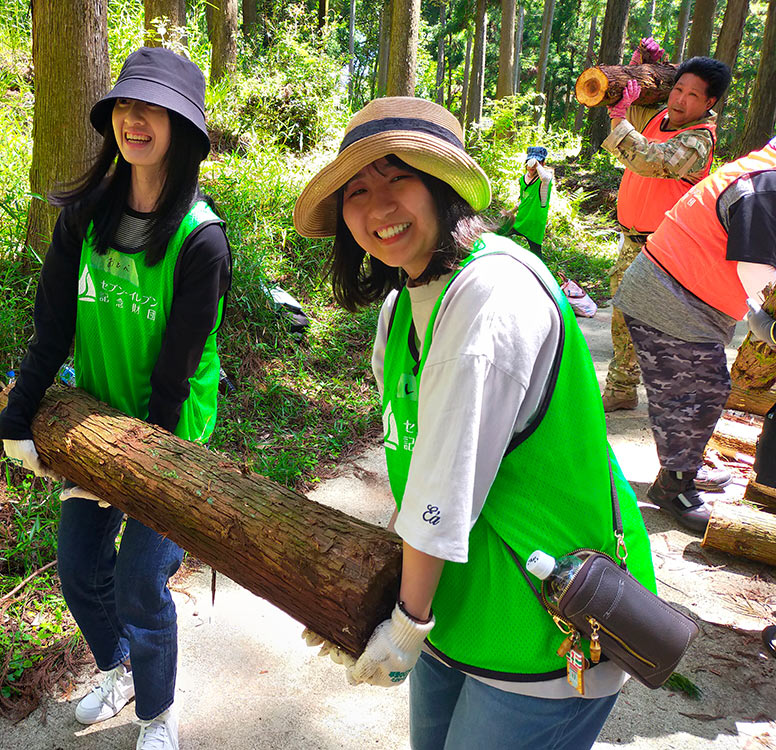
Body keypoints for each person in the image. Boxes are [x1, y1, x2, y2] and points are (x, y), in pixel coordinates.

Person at [293, 97, 655, 750]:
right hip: (454, 614)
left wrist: (406, 622)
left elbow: (445, 483)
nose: (378, 207)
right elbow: (415, 461)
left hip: (543, 625)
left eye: (399, 177)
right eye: (358, 190)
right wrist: (409, 608)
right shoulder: (399, 312)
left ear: (443, 186)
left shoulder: (493, 294)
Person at [0, 47, 232, 750]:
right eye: (127, 105)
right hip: (93, 422)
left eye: (154, 108)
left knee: (140, 584)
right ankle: (116, 667)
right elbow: (53, 328)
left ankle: (159, 714)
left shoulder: (202, 239)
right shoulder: (86, 216)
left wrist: (145, 472)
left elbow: (175, 372)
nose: (136, 118)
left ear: (182, 127)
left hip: (169, 436)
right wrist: (20, 411)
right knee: (77, 570)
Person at [613, 136, 776, 534]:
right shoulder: (765, 184)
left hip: (680, 295)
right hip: (668, 298)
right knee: (695, 393)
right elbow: (756, 271)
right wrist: (765, 322)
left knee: (701, 390)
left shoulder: (762, 174)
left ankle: (685, 466)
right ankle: (675, 488)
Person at [600, 40, 730, 423]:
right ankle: (623, 389)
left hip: (666, 247)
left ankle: (674, 404)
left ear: (709, 104)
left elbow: (648, 159)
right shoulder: (659, 119)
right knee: (624, 313)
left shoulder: (698, 139)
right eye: (677, 89)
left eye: (693, 95)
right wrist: (641, 66)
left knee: (655, 323)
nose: (679, 100)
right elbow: (635, 100)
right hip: (635, 239)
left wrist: (617, 118)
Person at [510, 146, 555, 259]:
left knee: (536, 253)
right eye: (530, 161)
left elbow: (544, 178)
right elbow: (523, 199)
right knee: (501, 233)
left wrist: (536, 165)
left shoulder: (545, 179)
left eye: (538, 162)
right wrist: (511, 211)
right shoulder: (522, 179)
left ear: (543, 163)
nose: (533, 166)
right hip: (521, 218)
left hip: (535, 222)